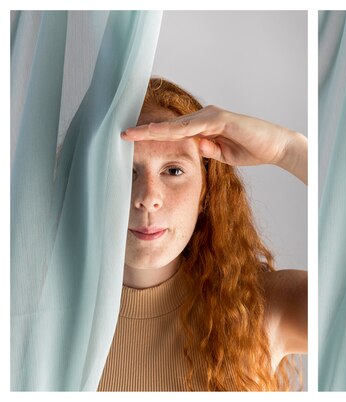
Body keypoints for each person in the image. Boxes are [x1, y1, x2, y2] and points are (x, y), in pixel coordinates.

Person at [97, 78, 307, 391]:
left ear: (205, 190)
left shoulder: (261, 308)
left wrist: (288, 150)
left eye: (173, 170)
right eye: (126, 170)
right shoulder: (29, 311)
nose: (147, 197)